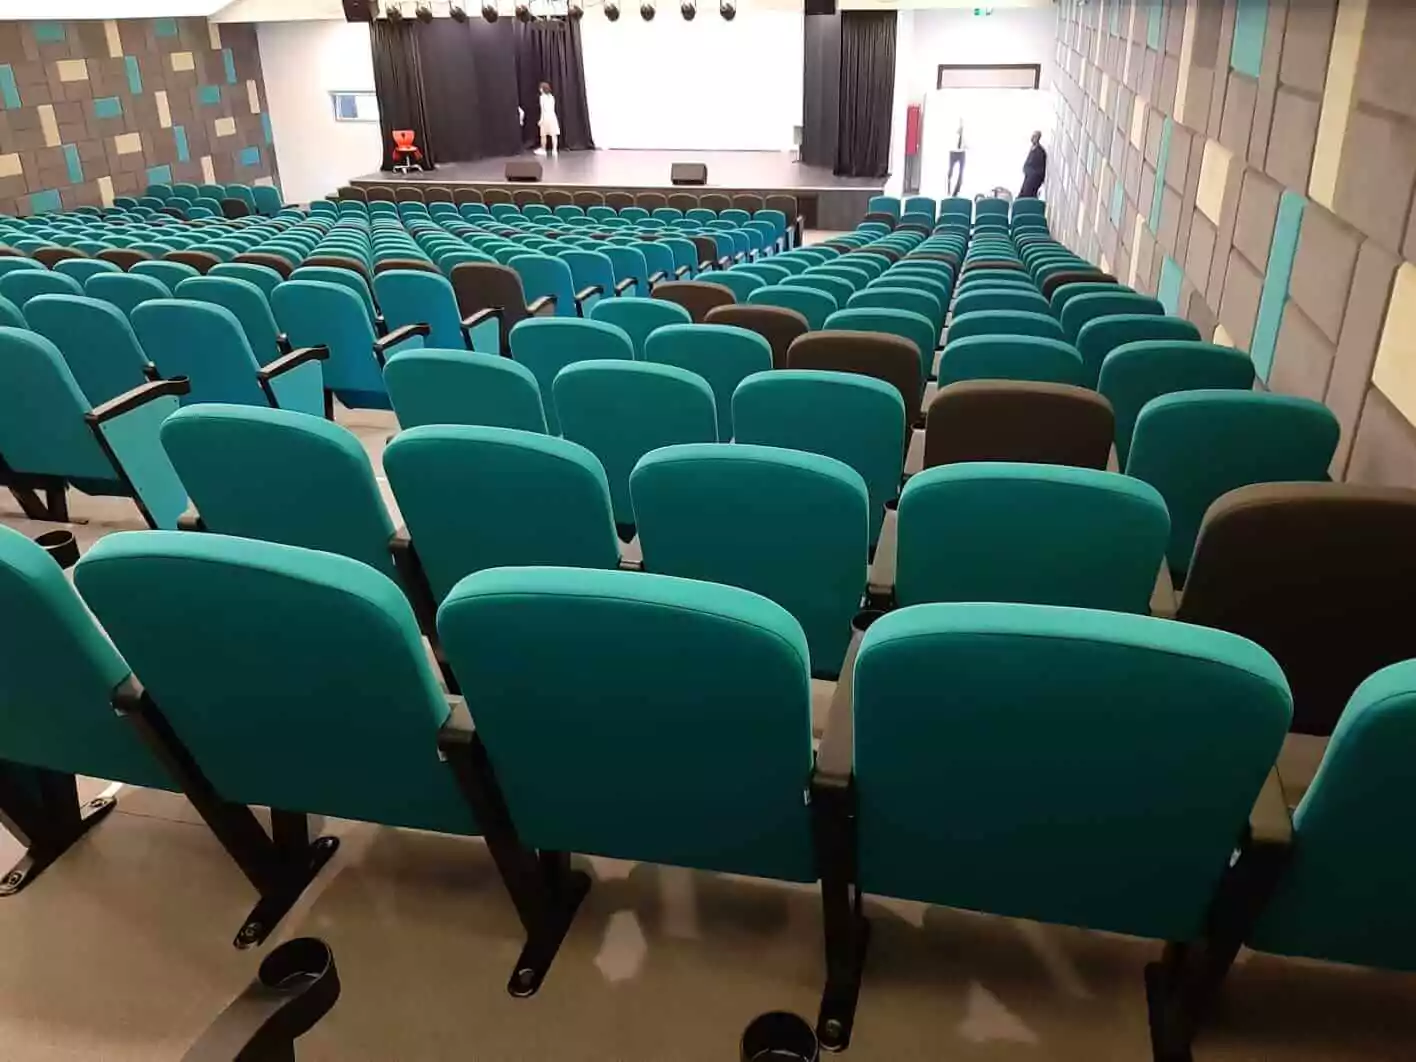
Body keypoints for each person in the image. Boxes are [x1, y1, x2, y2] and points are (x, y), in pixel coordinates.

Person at [535, 81, 560, 157]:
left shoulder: (542, 97)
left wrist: (541, 120)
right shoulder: (551, 97)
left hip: (545, 116)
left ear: (542, 89)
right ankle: (554, 150)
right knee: (554, 134)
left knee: (543, 135)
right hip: (552, 116)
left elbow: (543, 109)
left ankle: (543, 149)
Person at [1020, 130, 1047, 198]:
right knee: (1022, 195)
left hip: (1033, 180)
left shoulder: (1040, 151)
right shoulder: (1032, 149)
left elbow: (1040, 170)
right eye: (1032, 136)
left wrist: (1031, 174)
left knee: (1028, 196)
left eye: (1035, 136)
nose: (1032, 138)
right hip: (1028, 178)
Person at [947, 119, 967, 197]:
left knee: (961, 173)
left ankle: (955, 192)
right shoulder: (953, 126)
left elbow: (967, 143)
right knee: (950, 172)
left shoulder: (965, 130)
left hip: (962, 152)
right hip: (953, 151)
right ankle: (949, 189)